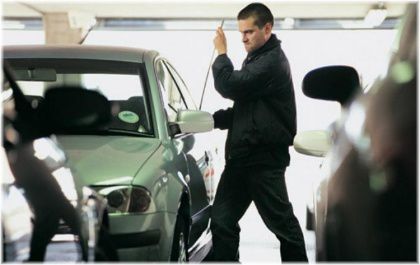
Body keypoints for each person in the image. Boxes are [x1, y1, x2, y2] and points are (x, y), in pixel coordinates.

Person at [210, 2, 308, 262]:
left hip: (263, 161)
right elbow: (246, 110)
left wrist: (221, 54)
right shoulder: (256, 59)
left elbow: (230, 85)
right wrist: (211, 120)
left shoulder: (272, 62)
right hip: (241, 159)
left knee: (283, 227)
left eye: (248, 32)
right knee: (221, 221)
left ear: (267, 28)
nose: (243, 38)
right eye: (241, 33)